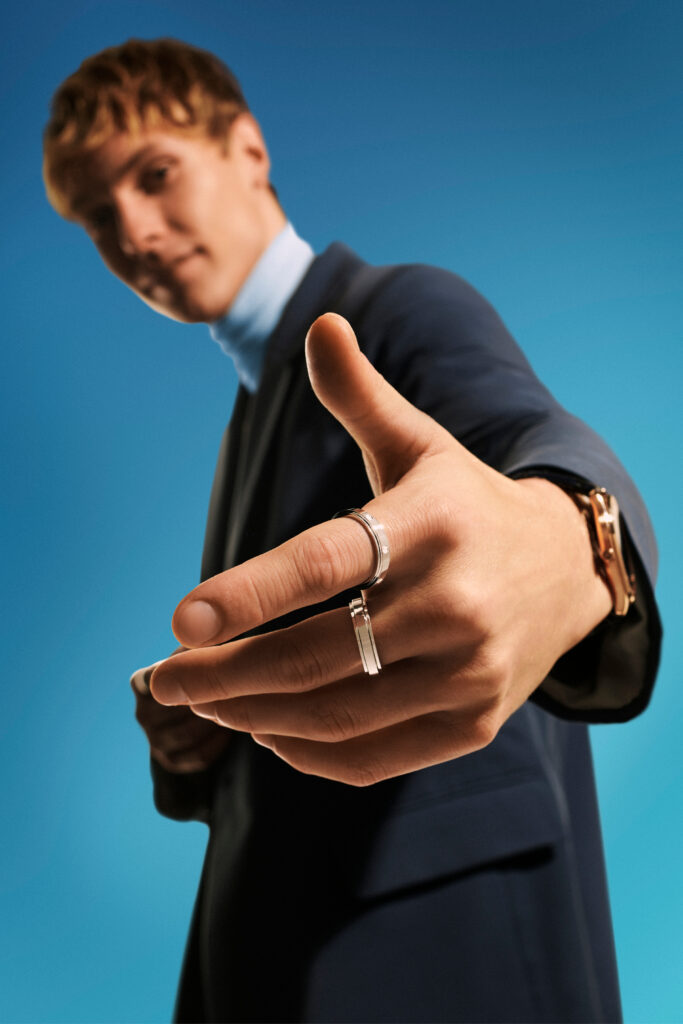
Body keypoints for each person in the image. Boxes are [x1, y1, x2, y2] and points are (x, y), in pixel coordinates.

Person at [43, 38, 661, 1024]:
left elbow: (533, 435)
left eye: (154, 176)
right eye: (98, 218)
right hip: (270, 961)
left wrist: (570, 539)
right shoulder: (245, 422)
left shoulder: (396, 309)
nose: (135, 233)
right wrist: (201, 731)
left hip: (432, 956)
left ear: (247, 149)